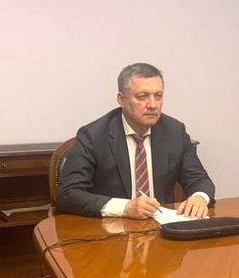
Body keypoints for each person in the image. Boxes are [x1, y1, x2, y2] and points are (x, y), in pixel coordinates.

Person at [57, 63, 216, 219]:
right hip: (112, 227)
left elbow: (200, 180)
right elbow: (69, 194)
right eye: (142, 96)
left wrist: (199, 197)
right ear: (121, 99)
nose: (153, 105)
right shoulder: (93, 136)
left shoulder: (174, 132)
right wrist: (125, 208)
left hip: (162, 225)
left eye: (158, 96)